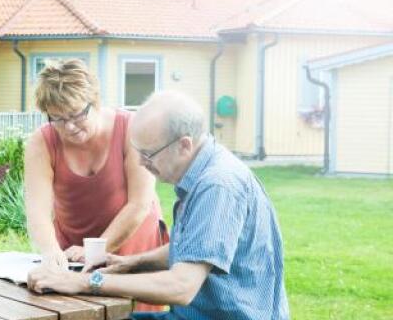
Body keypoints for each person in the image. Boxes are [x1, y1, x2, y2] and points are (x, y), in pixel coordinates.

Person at [27, 90, 289, 320]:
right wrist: (131, 262)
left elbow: (181, 287)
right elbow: (195, 248)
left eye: (148, 154)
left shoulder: (217, 186)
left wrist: (83, 281)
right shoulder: (203, 172)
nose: (141, 163)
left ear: (184, 145)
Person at [24, 59, 168, 311]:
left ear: (95, 102)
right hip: (74, 250)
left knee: (134, 313)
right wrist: (51, 252)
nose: (68, 126)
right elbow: (38, 211)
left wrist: (98, 250)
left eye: (76, 114)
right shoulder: (41, 143)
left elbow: (139, 204)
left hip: (133, 242)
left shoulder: (131, 128)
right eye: (57, 118)